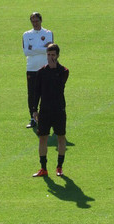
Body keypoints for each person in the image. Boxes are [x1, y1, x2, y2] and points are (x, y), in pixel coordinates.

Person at [31, 43, 69, 177]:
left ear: (57, 56)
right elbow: (37, 92)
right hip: (45, 111)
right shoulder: (41, 72)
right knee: (42, 139)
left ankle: (59, 167)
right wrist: (34, 110)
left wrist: (54, 69)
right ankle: (43, 168)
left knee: (61, 137)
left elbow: (59, 87)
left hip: (58, 110)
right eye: (48, 54)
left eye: (53, 55)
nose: (50, 57)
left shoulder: (63, 71)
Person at [22, 12, 53, 129]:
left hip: (45, 68)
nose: (35, 24)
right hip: (31, 68)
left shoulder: (48, 33)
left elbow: (49, 49)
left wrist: (33, 48)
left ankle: (45, 118)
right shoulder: (26, 34)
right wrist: (42, 48)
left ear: (41, 20)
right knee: (32, 94)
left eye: (37, 21)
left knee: (46, 93)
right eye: (33, 21)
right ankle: (32, 118)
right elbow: (26, 52)